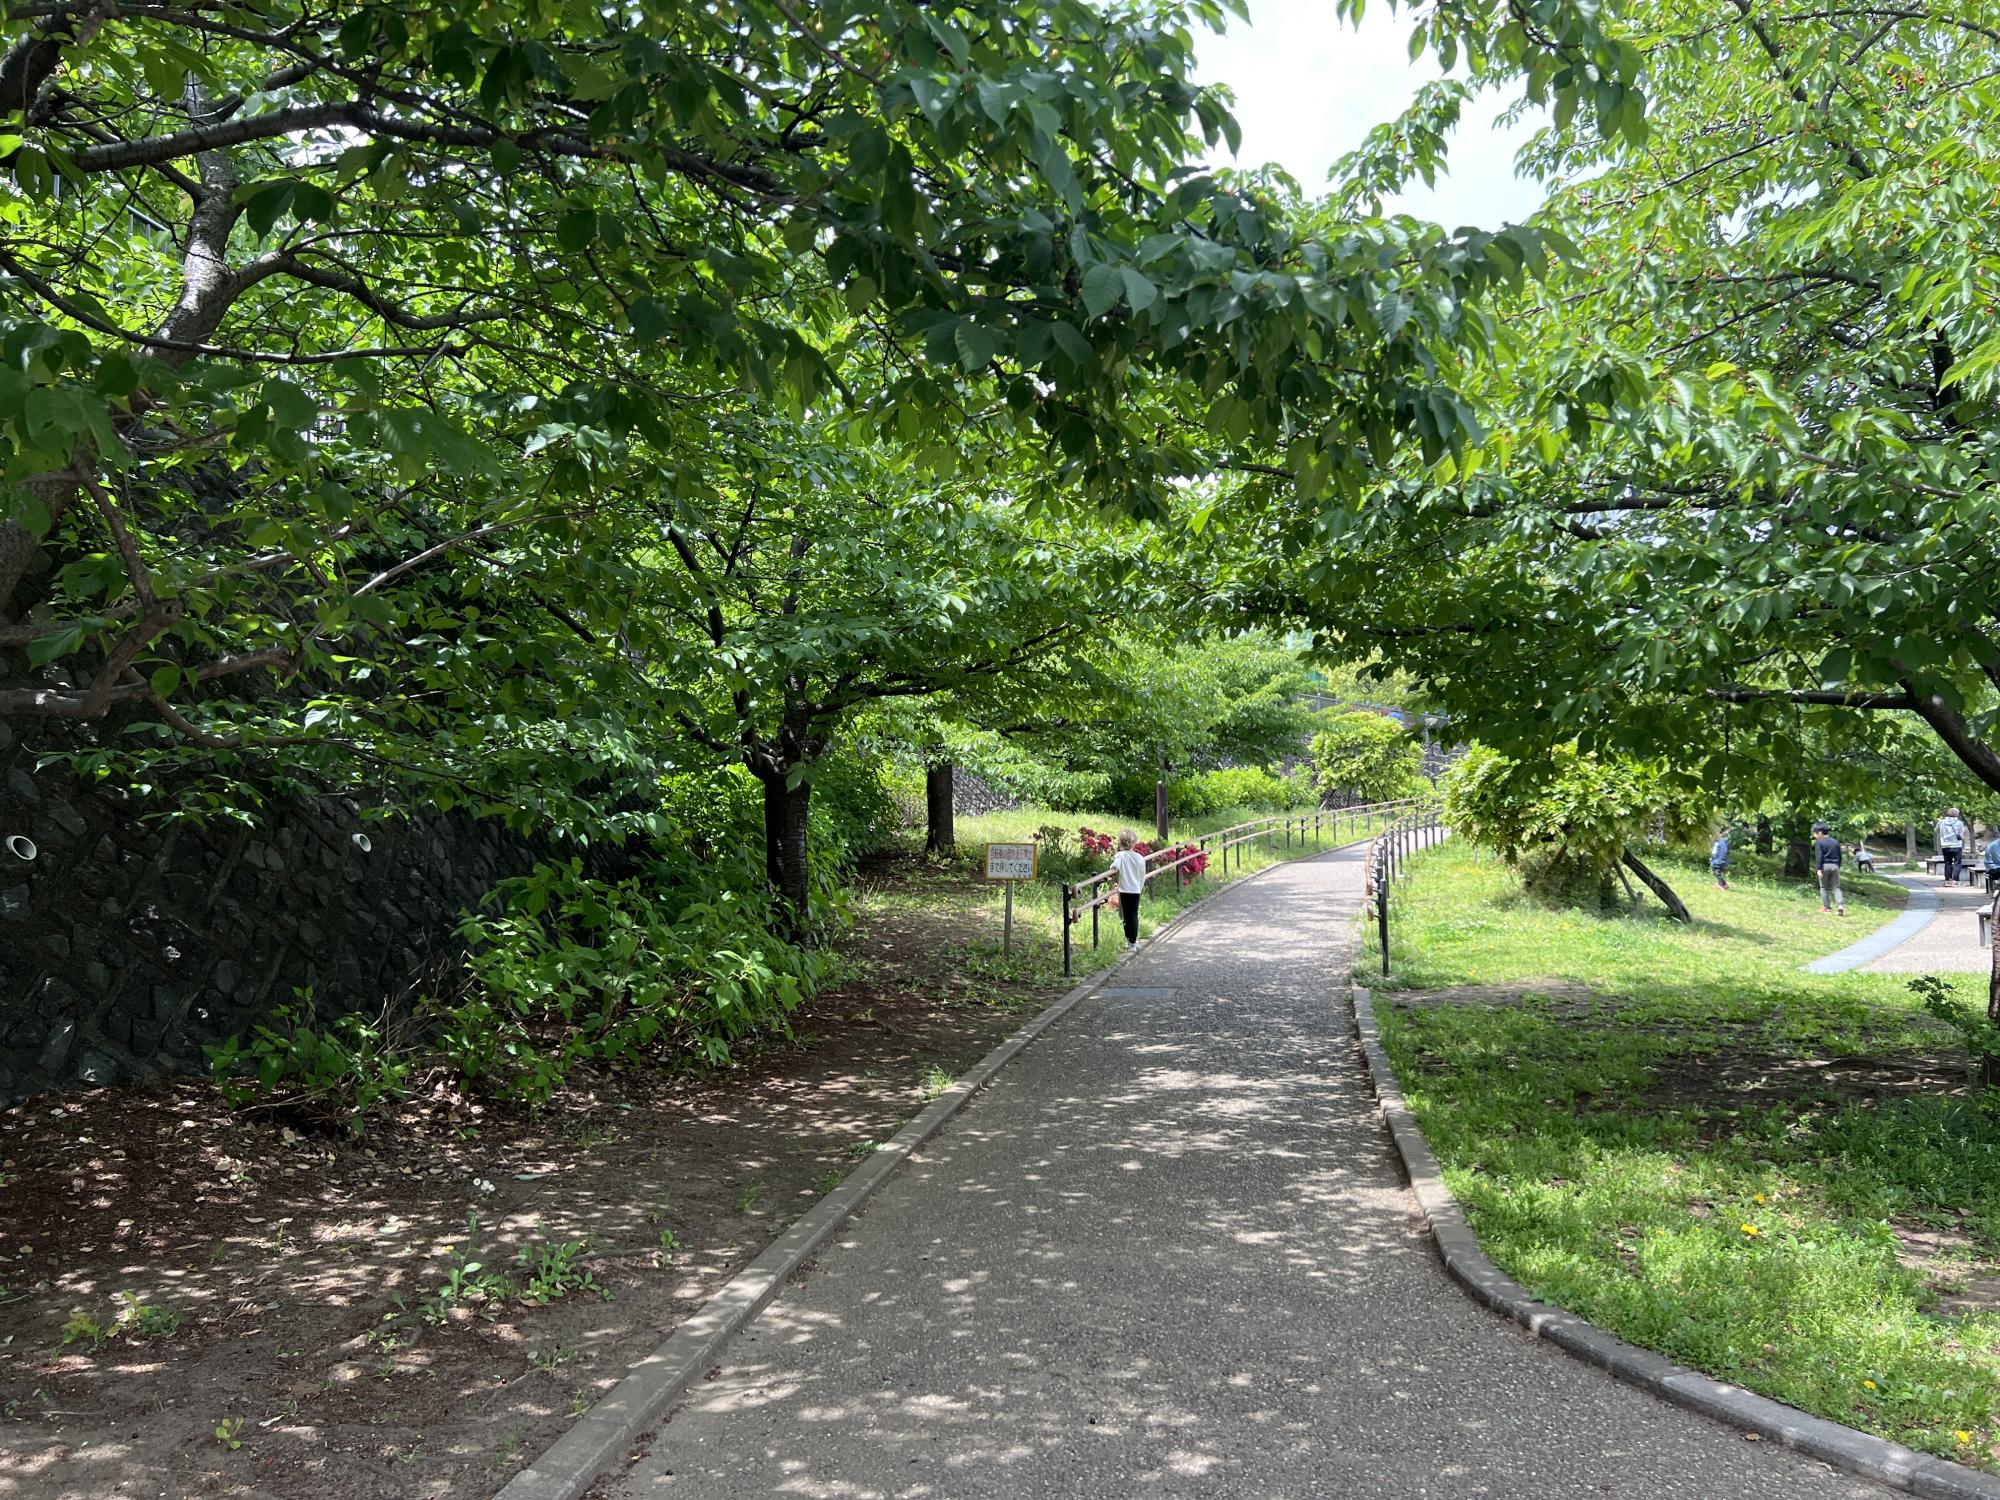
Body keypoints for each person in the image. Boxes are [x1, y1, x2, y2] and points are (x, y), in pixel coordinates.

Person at [1112, 828, 1148, 952]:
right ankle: (1132, 941)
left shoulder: (1120, 855)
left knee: (1126, 916)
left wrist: (1113, 870)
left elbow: (1115, 866)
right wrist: (1140, 887)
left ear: (1120, 843)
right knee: (1133, 915)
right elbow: (1142, 875)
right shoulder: (1140, 858)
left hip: (1124, 890)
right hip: (1135, 890)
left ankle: (1130, 940)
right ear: (1134, 843)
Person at [1812, 822, 1845, 916]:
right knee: (1836, 887)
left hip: (1824, 866)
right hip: (1835, 866)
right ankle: (1840, 906)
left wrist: (1818, 869)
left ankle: (1827, 908)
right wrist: (1838, 866)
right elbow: (1840, 856)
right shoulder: (1835, 841)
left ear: (1820, 833)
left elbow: (1819, 856)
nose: (1814, 835)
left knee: (1823, 887)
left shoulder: (1819, 842)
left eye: (1815, 833)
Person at [1938, 807, 1968, 886]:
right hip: (1957, 845)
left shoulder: (1941, 822)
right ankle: (1954, 881)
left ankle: (1947, 881)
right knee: (1957, 863)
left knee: (1947, 863)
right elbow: (1962, 833)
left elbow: (1936, 830)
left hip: (1945, 845)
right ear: (1957, 814)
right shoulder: (1959, 823)